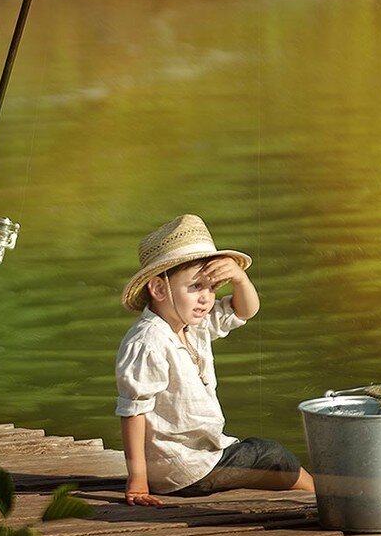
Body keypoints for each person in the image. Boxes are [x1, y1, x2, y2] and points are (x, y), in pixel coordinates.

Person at [115, 214, 315, 506]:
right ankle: (323, 494)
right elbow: (133, 410)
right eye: (195, 287)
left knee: (263, 461)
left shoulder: (191, 325)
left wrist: (239, 278)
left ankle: (314, 491)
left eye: (212, 288)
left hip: (202, 454)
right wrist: (138, 480)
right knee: (270, 455)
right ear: (159, 289)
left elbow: (245, 310)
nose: (206, 299)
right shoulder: (148, 341)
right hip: (182, 467)